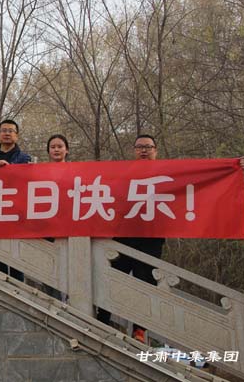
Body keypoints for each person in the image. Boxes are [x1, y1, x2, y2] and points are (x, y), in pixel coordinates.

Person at [96, 134, 162, 342]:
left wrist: (232, 166)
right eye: (139, 146)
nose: (144, 150)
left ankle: (139, 330)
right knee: (114, 279)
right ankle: (102, 320)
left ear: (155, 151)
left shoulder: (167, 173)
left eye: (148, 147)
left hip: (151, 237)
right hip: (124, 235)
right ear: (134, 151)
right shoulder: (123, 173)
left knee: (145, 283)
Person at [0, 120, 31, 281]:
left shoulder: (24, 158)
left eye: (11, 131)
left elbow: (29, 182)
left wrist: (11, 169)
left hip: (15, 212)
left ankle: (19, 289)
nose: (7, 133)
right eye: (4, 130)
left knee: (17, 259)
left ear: (17, 136)